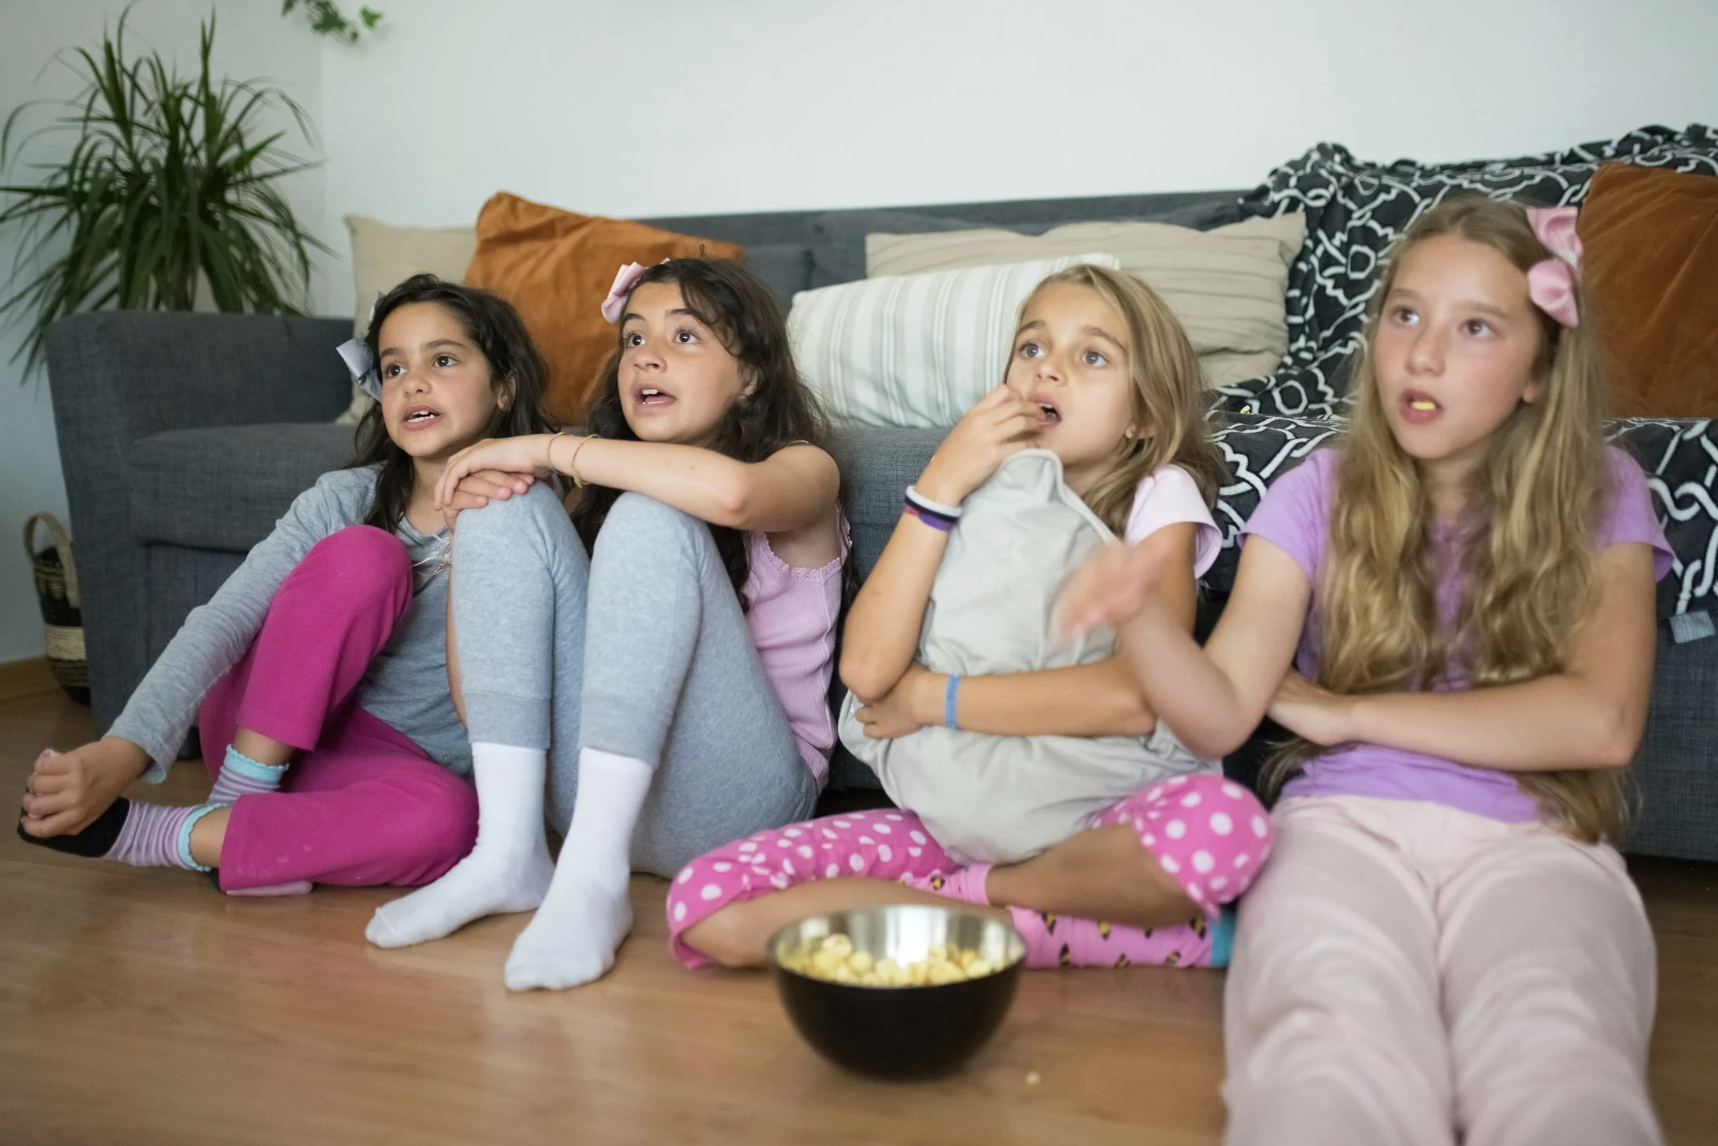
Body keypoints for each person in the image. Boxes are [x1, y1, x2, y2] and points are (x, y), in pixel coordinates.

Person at [1058, 198, 1668, 1146]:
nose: (1422, 357)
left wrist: (1351, 715)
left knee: (1556, 1052)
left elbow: (1601, 722)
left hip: (1535, 837)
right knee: (1326, 1050)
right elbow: (1218, 714)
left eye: (1475, 328)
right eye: (1405, 314)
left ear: (1542, 372)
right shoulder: (1315, 488)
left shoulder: (1604, 486)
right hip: (1341, 831)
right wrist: (1140, 617)